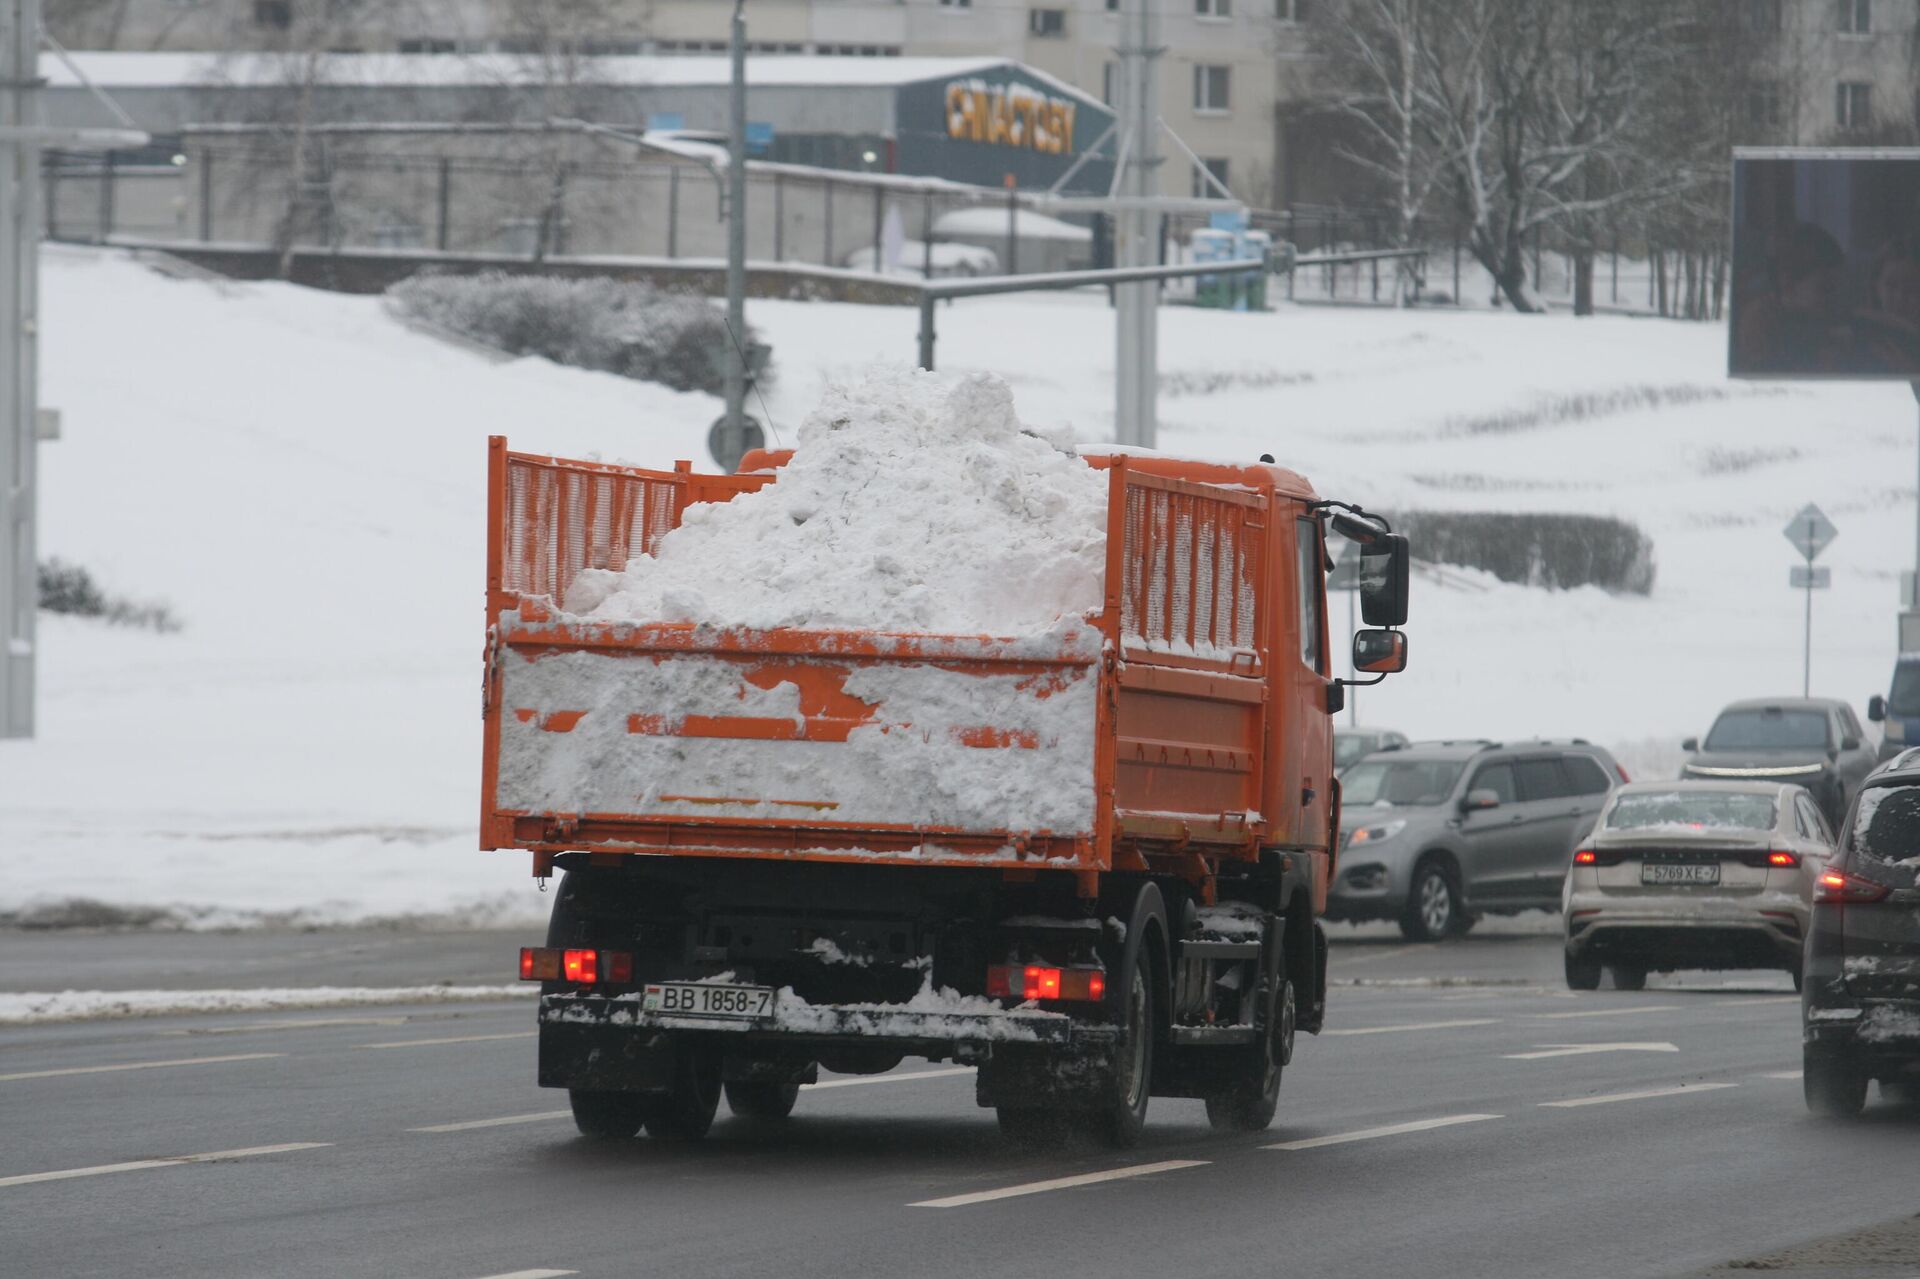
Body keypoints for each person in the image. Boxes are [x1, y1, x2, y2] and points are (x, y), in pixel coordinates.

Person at [1734, 221, 1851, 375]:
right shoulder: (1759, 320)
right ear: (1788, 285)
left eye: (1839, 288)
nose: (1835, 298)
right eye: (1825, 289)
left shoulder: (1822, 315)